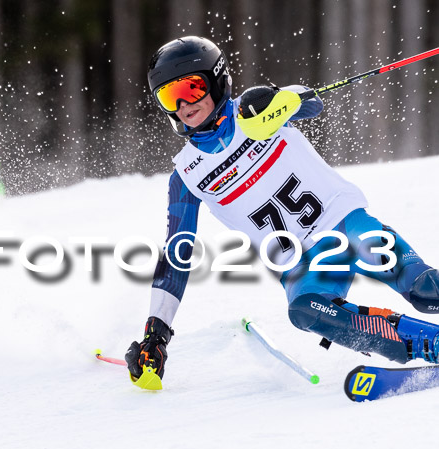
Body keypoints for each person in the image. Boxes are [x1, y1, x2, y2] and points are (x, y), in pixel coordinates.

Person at [125, 36, 439, 385]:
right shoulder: (186, 174)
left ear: (216, 80)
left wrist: (278, 99)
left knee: (426, 290)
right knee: (305, 310)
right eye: (170, 96)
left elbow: (311, 103)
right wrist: (157, 333)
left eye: (192, 87)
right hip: (303, 263)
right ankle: (425, 343)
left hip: (347, 224)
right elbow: (177, 253)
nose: (183, 103)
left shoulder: (256, 111)